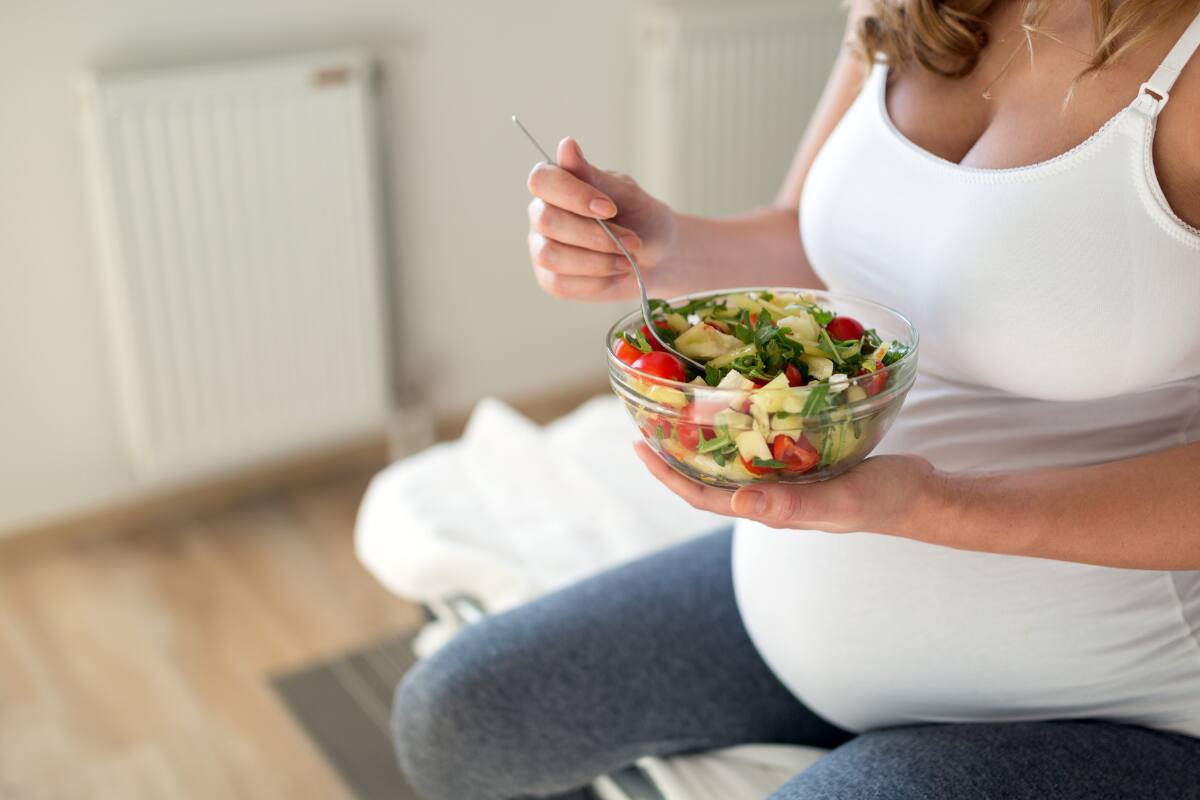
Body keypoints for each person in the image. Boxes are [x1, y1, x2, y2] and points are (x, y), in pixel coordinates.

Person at [393, 1, 1200, 797]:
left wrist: (931, 506)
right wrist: (663, 244)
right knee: (456, 719)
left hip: (1103, 696)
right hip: (796, 609)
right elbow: (822, 248)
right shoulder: (908, 6)